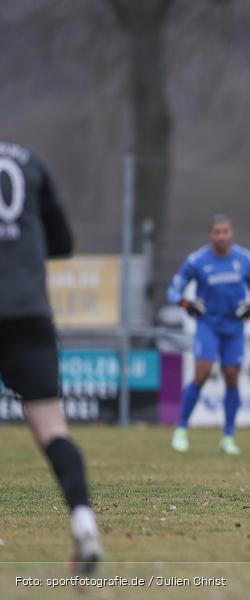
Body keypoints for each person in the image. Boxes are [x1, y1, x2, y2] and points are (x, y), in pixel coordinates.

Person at [0, 140, 102, 572]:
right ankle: (84, 523)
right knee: (51, 428)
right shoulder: (29, 160)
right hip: (28, 312)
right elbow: (62, 241)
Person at [167, 215, 250, 455]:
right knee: (202, 373)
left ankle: (228, 437)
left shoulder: (245, 259)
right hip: (208, 324)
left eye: (226, 231)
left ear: (232, 233)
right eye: (217, 232)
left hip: (233, 327)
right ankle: (181, 429)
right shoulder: (197, 260)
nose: (222, 236)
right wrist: (185, 304)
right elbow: (173, 290)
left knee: (232, 376)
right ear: (210, 235)